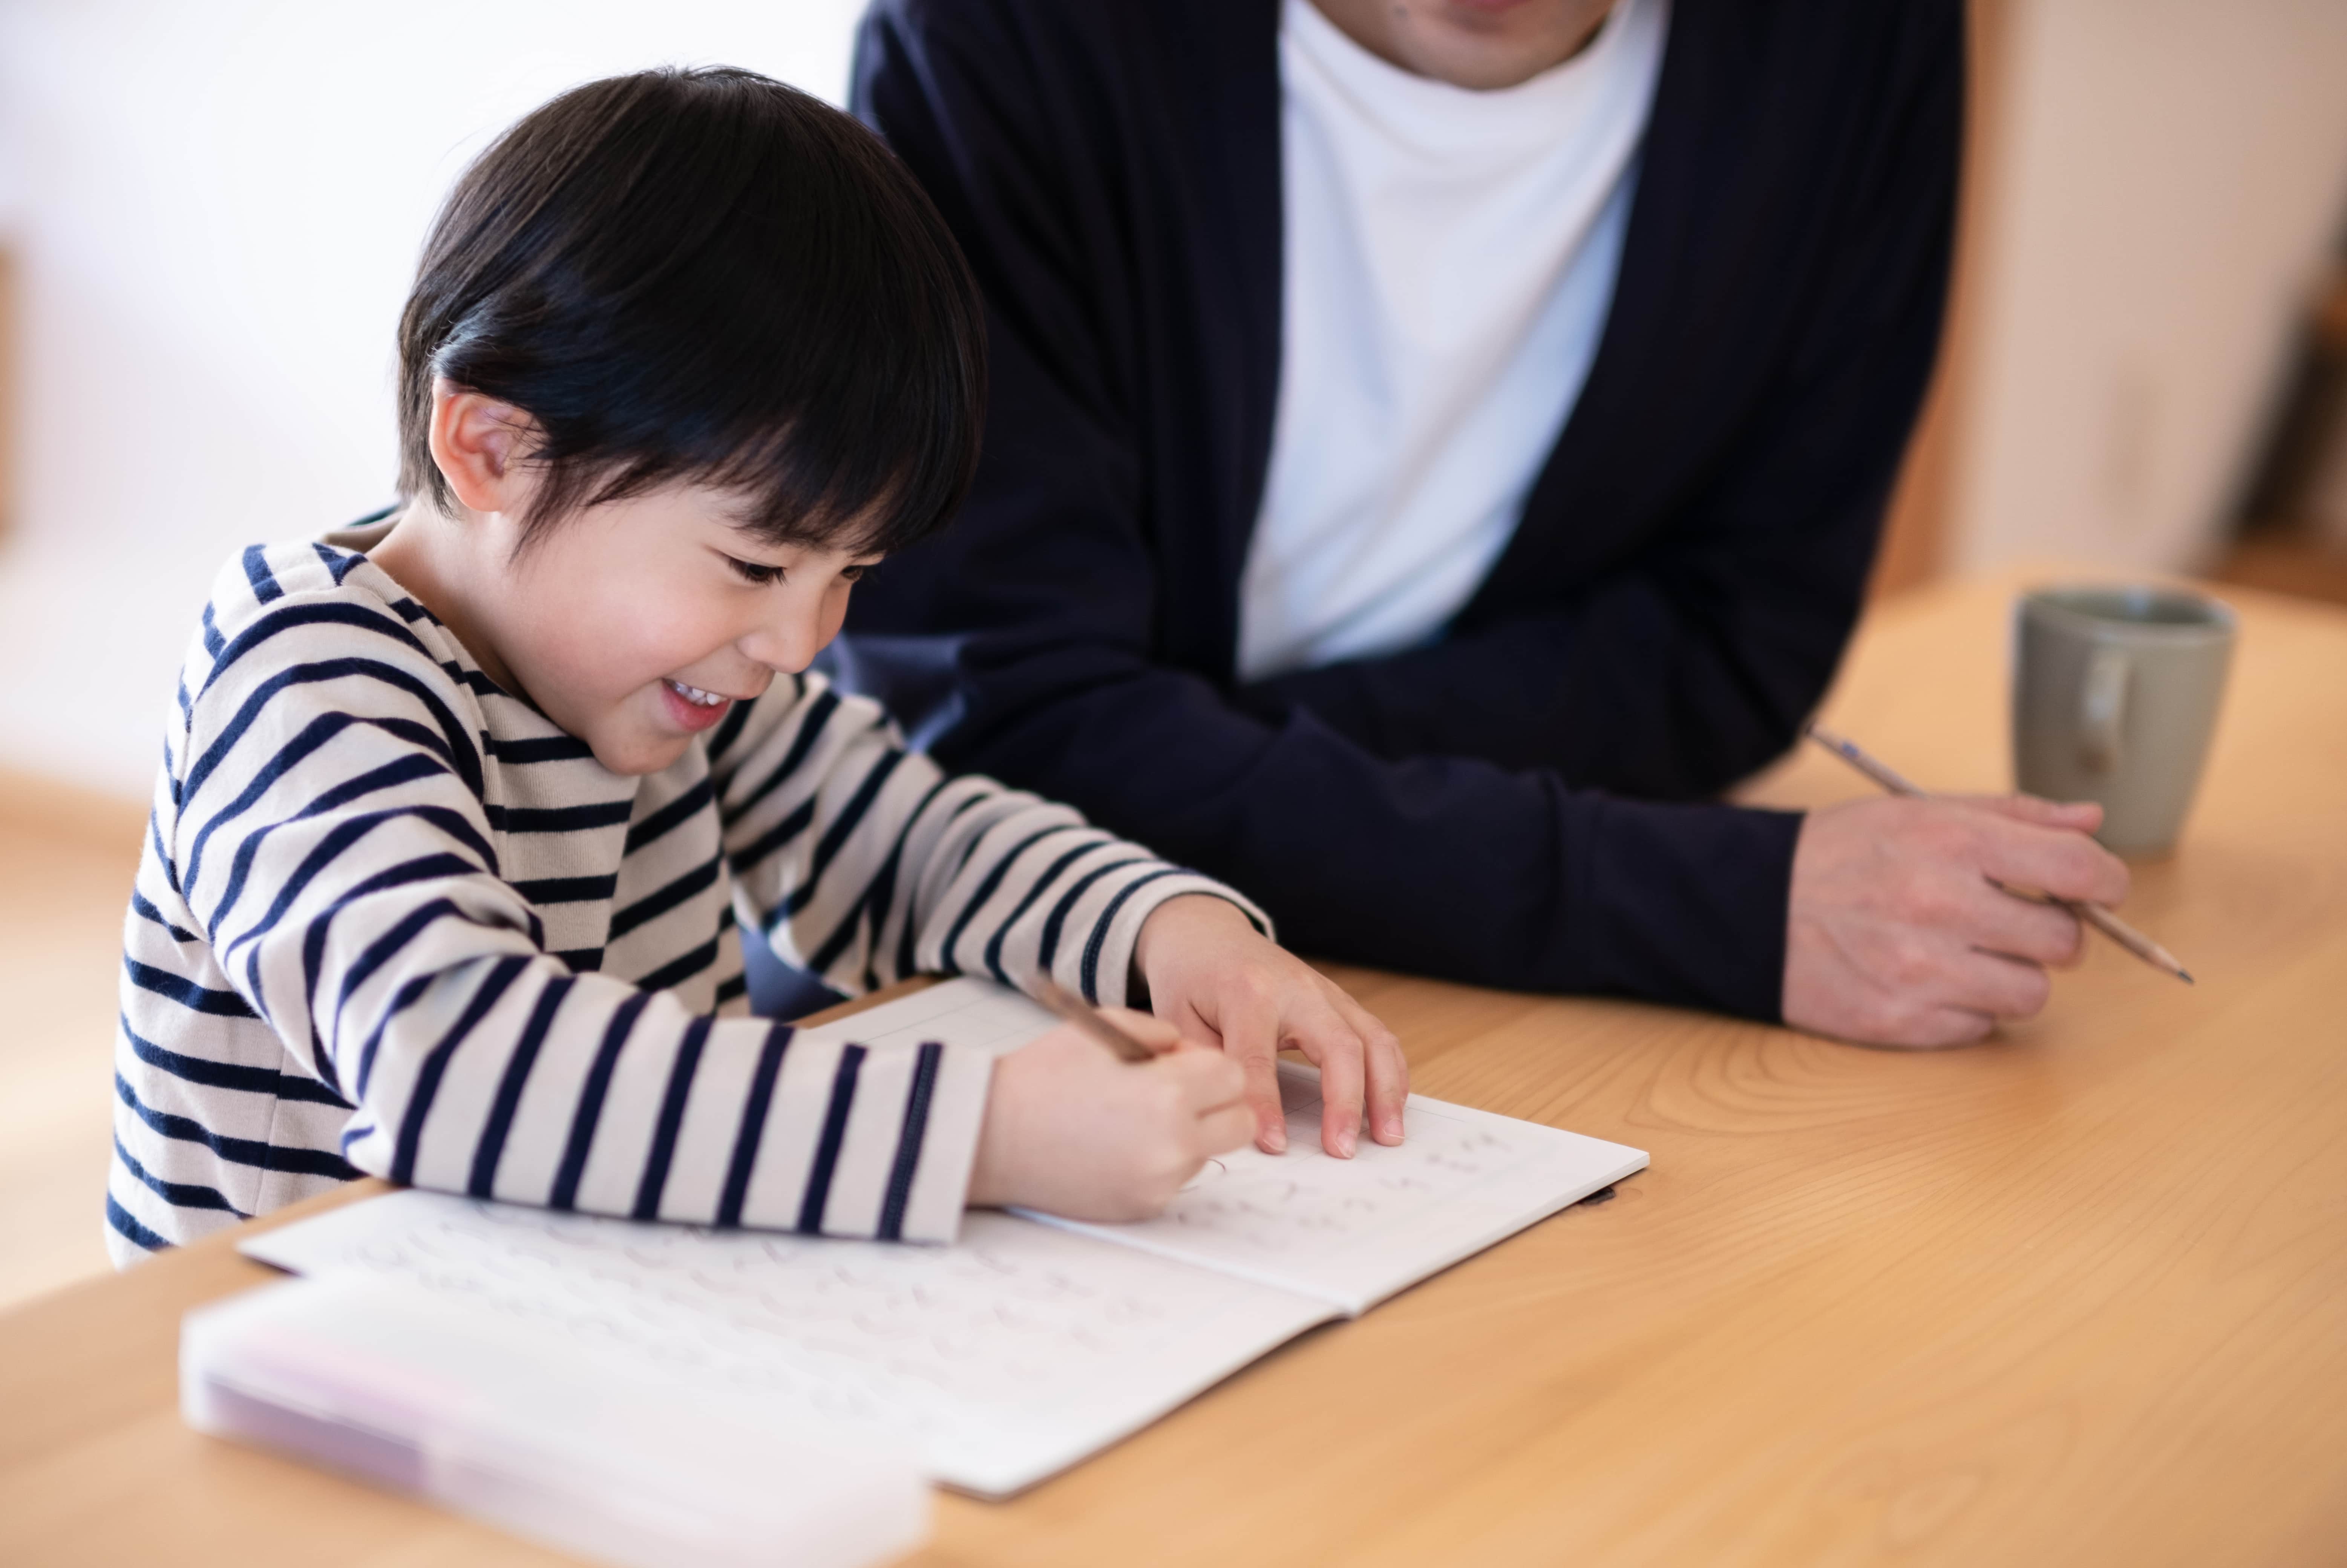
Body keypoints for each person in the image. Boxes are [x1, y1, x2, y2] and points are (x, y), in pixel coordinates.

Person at [106, 67, 1409, 1266]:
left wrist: (1169, 930)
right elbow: (456, 1066)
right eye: (753, 566)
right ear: (493, 451)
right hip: (289, 1410)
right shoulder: (302, 681)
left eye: (852, 572)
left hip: (584, 1332)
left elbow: (912, 846)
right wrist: (984, 1133)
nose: (802, 643)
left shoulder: (685, 689)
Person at [836, 0, 2133, 1050]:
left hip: (1431, 1004)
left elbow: (1742, 641)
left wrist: (1200, 764)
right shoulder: (1000, 41)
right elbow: (1000, 734)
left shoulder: (1852, 46)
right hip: (1012, 994)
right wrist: (1700, 902)